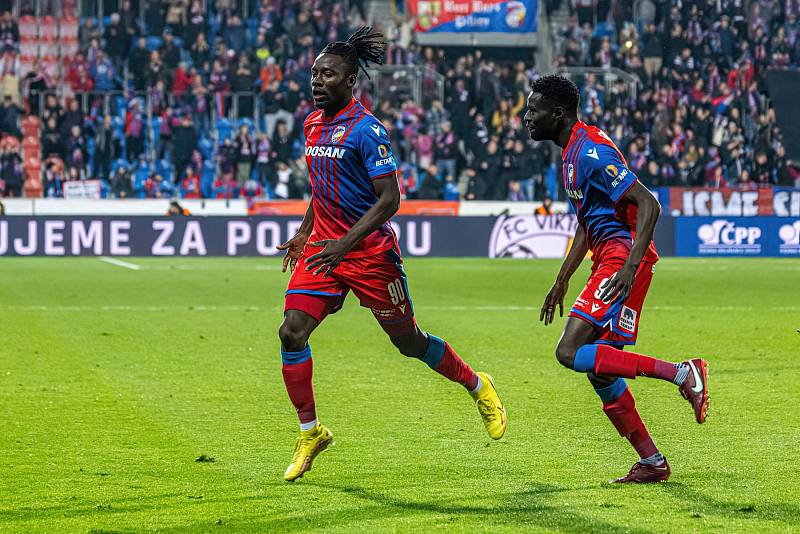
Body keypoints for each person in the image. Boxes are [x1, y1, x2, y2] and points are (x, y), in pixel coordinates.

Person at [276, 27, 506, 482]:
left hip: (369, 256)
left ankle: (478, 385)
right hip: (325, 251)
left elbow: (390, 200)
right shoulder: (311, 124)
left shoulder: (367, 131)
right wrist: (306, 232)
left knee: (409, 343)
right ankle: (310, 433)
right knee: (291, 332)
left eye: (328, 75)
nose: (317, 82)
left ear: (350, 82)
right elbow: (322, 189)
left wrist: (345, 243)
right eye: (314, 74)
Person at [525, 75, 709, 484]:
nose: (526, 118)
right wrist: (562, 279)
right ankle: (653, 462)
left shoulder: (589, 152)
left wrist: (628, 265)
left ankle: (683, 373)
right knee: (601, 370)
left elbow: (649, 202)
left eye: (533, 110)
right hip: (609, 256)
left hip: (622, 259)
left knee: (569, 352)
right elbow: (586, 224)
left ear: (557, 113)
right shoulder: (571, 152)